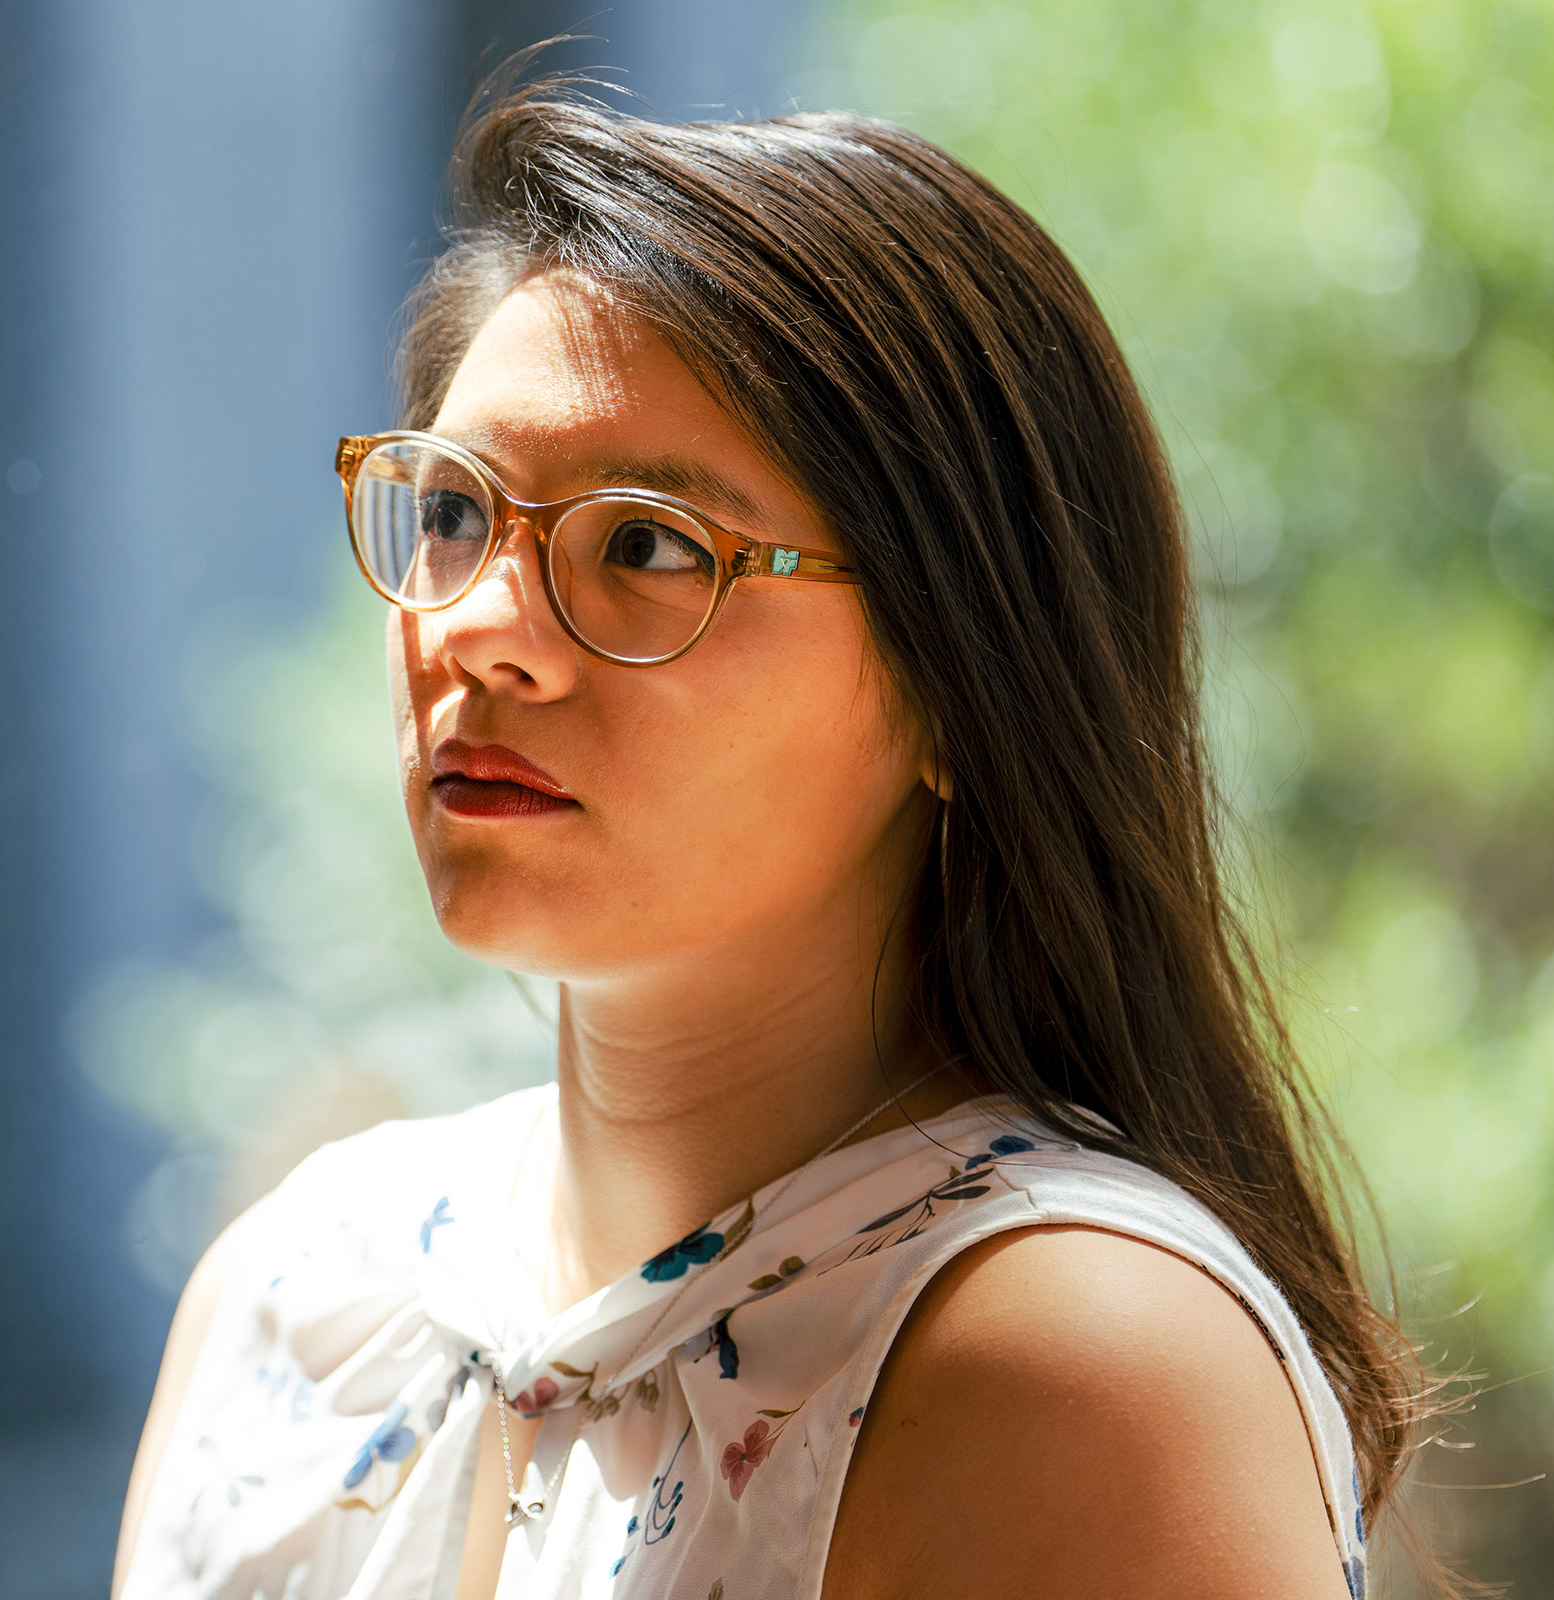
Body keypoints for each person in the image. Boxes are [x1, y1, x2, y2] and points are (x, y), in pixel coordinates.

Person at [111, 84, 1424, 1600]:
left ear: (960, 683)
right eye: (459, 515)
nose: (475, 632)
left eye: (651, 548)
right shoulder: (299, 1294)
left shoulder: (1069, 1362)